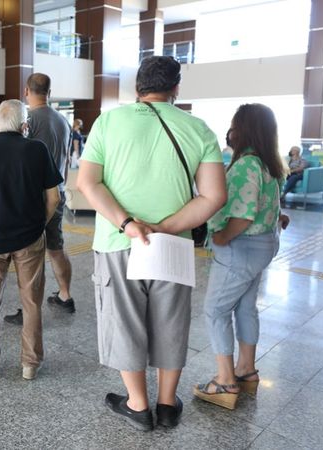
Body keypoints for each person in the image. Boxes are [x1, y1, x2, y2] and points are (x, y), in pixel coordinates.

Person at [77, 56, 227, 431]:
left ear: (137, 88)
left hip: (117, 242)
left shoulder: (109, 121)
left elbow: (89, 183)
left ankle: (138, 405)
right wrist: (164, 227)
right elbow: (213, 197)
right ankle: (166, 404)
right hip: (171, 246)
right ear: (176, 88)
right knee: (171, 320)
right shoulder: (198, 129)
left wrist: (128, 224)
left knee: (124, 320)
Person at [194, 104, 289, 410]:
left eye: (234, 125)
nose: (230, 131)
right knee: (246, 307)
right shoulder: (268, 164)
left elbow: (243, 216)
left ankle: (224, 381)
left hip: (242, 247)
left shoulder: (247, 165)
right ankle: (246, 369)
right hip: (263, 245)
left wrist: (220, 236)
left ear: (244, 129)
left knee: (215, 310)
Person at [0, 100, 63, 381]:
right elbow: (54, 197)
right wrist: (38, 226)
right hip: (29, 239)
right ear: (25, 126)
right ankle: (30, 364)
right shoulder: (37, 149)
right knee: (31, 301)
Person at [5, 73, 74, 326]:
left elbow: (18, 158)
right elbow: (66, 161)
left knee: (30, 256)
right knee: (56, 248)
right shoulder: (63, 121)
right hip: (57, 192)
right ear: (49, 91)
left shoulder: (28, 119)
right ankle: (65, 296)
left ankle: (28, 309)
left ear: (26, 91)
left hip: (33, 198)